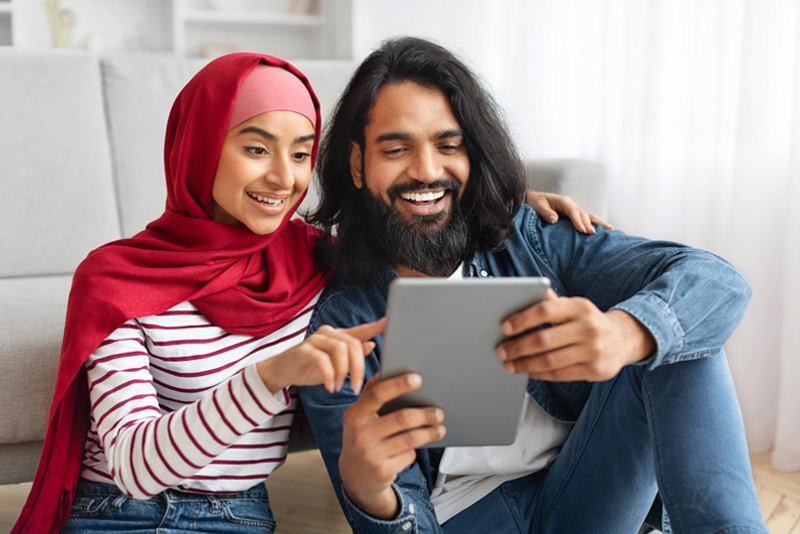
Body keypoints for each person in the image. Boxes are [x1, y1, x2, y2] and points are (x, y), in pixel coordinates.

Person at [11, 52, 596, 534]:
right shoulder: (115, 278)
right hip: (116, 512)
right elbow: (136, 466)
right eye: (256, 148)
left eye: (299, 153)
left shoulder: (313, 258)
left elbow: (409, 219)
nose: (283, 178)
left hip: (237, 515)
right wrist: (269, 375)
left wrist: (514, 207)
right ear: (202, 145)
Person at [299, 37, 769, 534]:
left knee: (677, 331)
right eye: (396, 149)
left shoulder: (531, 237)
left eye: (449, 145)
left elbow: (716, 280)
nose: (427, 170)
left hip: (587, 492)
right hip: (466, 519)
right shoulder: (340, 323)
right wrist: (368, 491)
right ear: (357, 164)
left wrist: (623, 334)